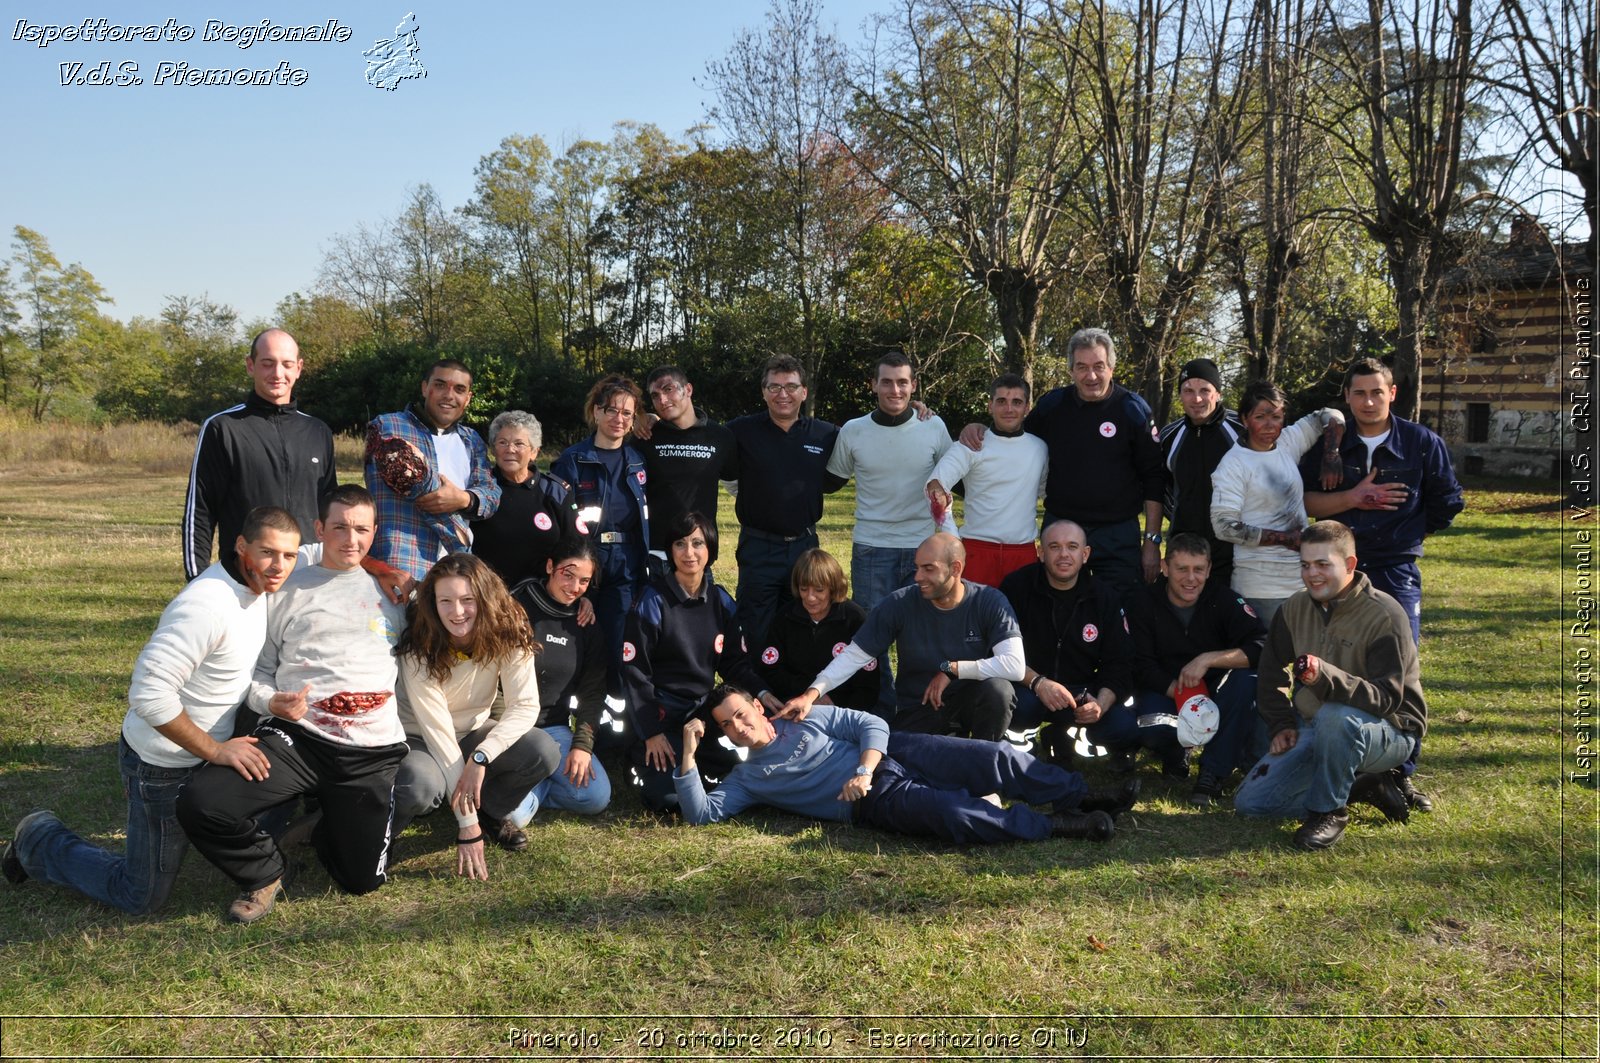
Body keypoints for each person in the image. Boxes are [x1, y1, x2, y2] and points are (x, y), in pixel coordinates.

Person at [3, 507, 301, 914]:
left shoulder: (257, 590)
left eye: (290, 555)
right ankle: (38, 839)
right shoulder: (206, 606)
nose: (279, 566)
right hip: (161, 765)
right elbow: (149, 695)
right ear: (241, 546)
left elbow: (228, 675)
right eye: (268, 552)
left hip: (202, 756)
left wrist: (267, 701)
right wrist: (215, 751)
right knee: (140, 895)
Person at [175, 485, 409, 923]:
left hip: (371, 752)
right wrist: (271, 702)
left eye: (361, 529)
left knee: (361, 882)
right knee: (202, 801)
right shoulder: (283, 589)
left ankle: (321, 827)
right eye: (339, 527)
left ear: (375, 532)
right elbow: (257, 674)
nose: (351, 539)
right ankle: (264, 872)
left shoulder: (394, 593)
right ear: (320, 530)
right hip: (297, 738)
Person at [1300, 358, 1463, 814]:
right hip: (1339, 574)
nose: (1368, 401)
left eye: (1377, 392)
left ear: (1392, 394)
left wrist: (1405, 531)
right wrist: (1353, 499)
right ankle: (1343, 764)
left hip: (1394, 571)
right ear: (1347, 398)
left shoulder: (1421, 443)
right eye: (1358, 393)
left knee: (1399, 671)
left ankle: (1399, 775)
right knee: (1335, 662)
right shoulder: (1331, 446)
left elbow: (1448, 503)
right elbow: (1305, 499)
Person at [678, 686, 1138, 843]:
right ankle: (1059, 826)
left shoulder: (806, 717)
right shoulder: (749, 778)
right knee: (958, 816)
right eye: (728, 725)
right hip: (876, 801)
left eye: (742, 714)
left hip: (895, 752)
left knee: (994, 756)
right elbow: (701, 814)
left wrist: (864, 768)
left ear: (758, 709)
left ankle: (1082, 796)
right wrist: (688, 752)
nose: (740, 727)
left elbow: (871, 724)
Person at [1234, 521, 1426, 850]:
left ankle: (1329, 812)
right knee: (1252, 803)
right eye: (1305, 565)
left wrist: (1326, 677)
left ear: (1350, 564)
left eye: (1323, 564)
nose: (1313, 574)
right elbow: (1271, 671)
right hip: (1316, 725)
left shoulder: (1385, 614)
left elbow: (1388, 698)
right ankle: (1361, 787)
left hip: (1389, 731)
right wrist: (1280, 723)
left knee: (1337, 715)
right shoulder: (1293, 609)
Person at [959, 329, 1164, 596]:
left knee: (1120, 611)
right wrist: (978, 427)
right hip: (1061, 531)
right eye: (1081, 367)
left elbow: (1154, 478)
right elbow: (1013, 439)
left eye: (1098, 366)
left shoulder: (1133, 410)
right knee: (1055, 611)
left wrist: (1151, 542)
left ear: (1112, 368)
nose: (1090, 376)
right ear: (1070, 370)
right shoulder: (1052, 407)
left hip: (1118, 535)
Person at [391, 554, 560, 876]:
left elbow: (525, 706)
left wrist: (482, 756)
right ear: (432, 602)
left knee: (542, 751)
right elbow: (438, 731)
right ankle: (382, 832)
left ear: (485, 598)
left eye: (468, 600)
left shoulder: (508, 628)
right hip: (420, 736)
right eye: (446, 601)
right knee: (421, 786)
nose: (457, 612)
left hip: (473, 730)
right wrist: (467, 828)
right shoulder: (418, 641)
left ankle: (491, 812)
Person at [780, 533, 1023, 742]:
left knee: (998, 690)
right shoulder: (899, 603)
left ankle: (983, 762)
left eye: (928, 568)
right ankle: (946, 745)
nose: (917, 576)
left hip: (969, 701)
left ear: (956, 568)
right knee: (902, 766)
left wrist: (954, 670)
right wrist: (811, 694)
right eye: (917, 567)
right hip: (918, 709)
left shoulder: (989, 601)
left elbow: (1014, 666)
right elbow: (854, 656)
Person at [620, 511, 765, 813]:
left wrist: (762, 694)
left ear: (709, 548)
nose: (689, 553)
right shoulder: (651, 601)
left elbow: (735, 665)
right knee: (670, 802)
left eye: (697, 543)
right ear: (670, 551)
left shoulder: (721, 601)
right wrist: (651, 732)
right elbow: (635, 673)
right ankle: (639, 759)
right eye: (680, 544)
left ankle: (700, 758)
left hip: (702, 717)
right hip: (661, 716)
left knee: (738, 774)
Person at [183, 328, 335, 581]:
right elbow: (200, 511)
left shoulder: (318, 431)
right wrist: (196, 579)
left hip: (306, 578)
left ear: (298, 368)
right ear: (250, 366)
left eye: (286, 364)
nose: (278, 373)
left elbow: (331, 513)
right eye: (267, 364)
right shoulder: (223, 427)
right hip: (245, 578)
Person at [1127, 534, 1267, 806]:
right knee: (1152, 730)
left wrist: (1209, 659)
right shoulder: (1142, 602)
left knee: (1246, 681)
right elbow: (1138, 663)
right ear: (1165, 568)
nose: (1191, 578)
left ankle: (1213, 772)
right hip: (1166, 688)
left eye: (1198, 570)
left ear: (1209, 569)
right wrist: (1185, 698)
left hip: (1215, 691)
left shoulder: (1224, 599)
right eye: (1182, 569)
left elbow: (1262, 646)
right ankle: (1175, 750)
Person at [999, 520, 1138, 772]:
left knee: (1124, 728)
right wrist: (1038, 683)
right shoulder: (1016, 588)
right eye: (1054, 547)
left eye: (1072, 547)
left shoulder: (1104, 597)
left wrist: (1100, 704)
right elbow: (998, 650)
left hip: (1080, 692)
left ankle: (1063, 737)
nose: (1064, 554)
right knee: (1016, 705)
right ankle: (1021, 744)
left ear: (1085, 555)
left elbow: (1120, 662)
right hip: (1028, 686)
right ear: (1041, 553)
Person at [724, 355, 840, 650]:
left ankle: (797, 692)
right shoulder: (740, 431)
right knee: (755, 628)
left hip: (804, 545)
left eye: (790, 387)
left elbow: (870, 435)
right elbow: (697, 431)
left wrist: (916, 410)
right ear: (763, 392)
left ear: (804, 392)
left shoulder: (826, 434)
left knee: (805, 625)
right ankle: (757, 693)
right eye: (774, 387)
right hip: (758, 547)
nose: (782, 394)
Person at [825, 352, 952, 616]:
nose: (895, 390)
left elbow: (956, 476)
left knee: (921, 631)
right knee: (871, 632)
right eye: (887, 382)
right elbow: (832, 480)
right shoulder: (853, 430)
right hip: (872, 547)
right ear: (873, 384)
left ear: (913, 386)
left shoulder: (934, 426)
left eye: (902, 382)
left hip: (923, 545)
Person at [1209, 381, 1344, 626]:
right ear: (1245, 419)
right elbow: (1223, 526)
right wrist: (1285, 539)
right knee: (1267, 657)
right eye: (1260, 416)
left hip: (1303, 579)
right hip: (1260, 586)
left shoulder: (1287, 443)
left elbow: (1330, 414)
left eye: (1277, 416)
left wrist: (1331, 453)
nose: (1270, 425)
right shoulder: (1234, 464)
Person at [552, 375, 651, 697]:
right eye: (611, 410)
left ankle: (616, 711)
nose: (619, 419)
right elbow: (561, 520)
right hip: (585, 559)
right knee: (580, 633)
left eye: (627, 413)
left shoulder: (637, 460)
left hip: (626, 562)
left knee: (619, 637)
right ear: (596, 412)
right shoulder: (572, 460)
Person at [365, 359, 502, 581]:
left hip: (455, 571)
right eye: (440, 385)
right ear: (424, 388)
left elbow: (491, 494)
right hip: (400, 566)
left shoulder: (472, 440)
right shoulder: (388, 426)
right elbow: (413, 478)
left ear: (468, 399)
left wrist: (464, 499)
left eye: (459, 389)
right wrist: (459, 538)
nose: (449, 395)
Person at [509, 539, 614, 824]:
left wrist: (582, 745)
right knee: (513, 817)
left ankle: (538, 788)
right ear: (550, 567)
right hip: (510, 727)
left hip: (553, 729)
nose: (574, 587)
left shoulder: (586, 622)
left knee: (595, 796)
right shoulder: (516, 607)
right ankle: (522, 794)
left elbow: (593, 692)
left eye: (584, 581)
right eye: (567, 575)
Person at [925, 373, 1048, 587]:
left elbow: (1045, 492)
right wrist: (952, 536)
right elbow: (935, 485)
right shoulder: (971, 445)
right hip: (976, 552)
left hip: (1023, 554)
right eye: (1001, 401)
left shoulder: (1040, 448)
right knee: (974, 620)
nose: (1009, 409)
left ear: (1027, 408)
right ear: (990, 405)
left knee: (1021, 620)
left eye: (1016, 402)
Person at [637, 366, 738, 572]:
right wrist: (638, 419)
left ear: (688, 389)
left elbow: (735, 483)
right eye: (655, 395)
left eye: (668, 389)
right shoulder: (645, 436)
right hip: (656, 555)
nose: (662, 400)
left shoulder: (720, 437)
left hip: (699, 555)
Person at [469, 410, 581, 591]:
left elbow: (578, 549)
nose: (510, 449)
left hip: (543, 600)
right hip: (488, 598)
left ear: (534, 452)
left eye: (519, 443)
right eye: (502, 442)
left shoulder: (555, 492)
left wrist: (582, 594)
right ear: (493, 449)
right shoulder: (478, 490)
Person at [755, 548, 877, 711]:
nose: (810, 597)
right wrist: (807, 695)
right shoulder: (785, 617)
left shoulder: (854, 618)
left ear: (833, 587)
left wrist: (841, 708)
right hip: (794, 704)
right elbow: (771, 671)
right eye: (804, 589)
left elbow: (868, 680)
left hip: (844, 709)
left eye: (819, 590)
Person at [1158, 358, 1244, 588]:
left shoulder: (1243, 430)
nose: (1196, 399)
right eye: (1188, 391)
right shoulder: (1169, 436)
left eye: (1205, 390)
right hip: (1185, 550)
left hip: (1235, 550)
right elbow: (1160, 488)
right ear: (1180, 396)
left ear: (1218, 394)